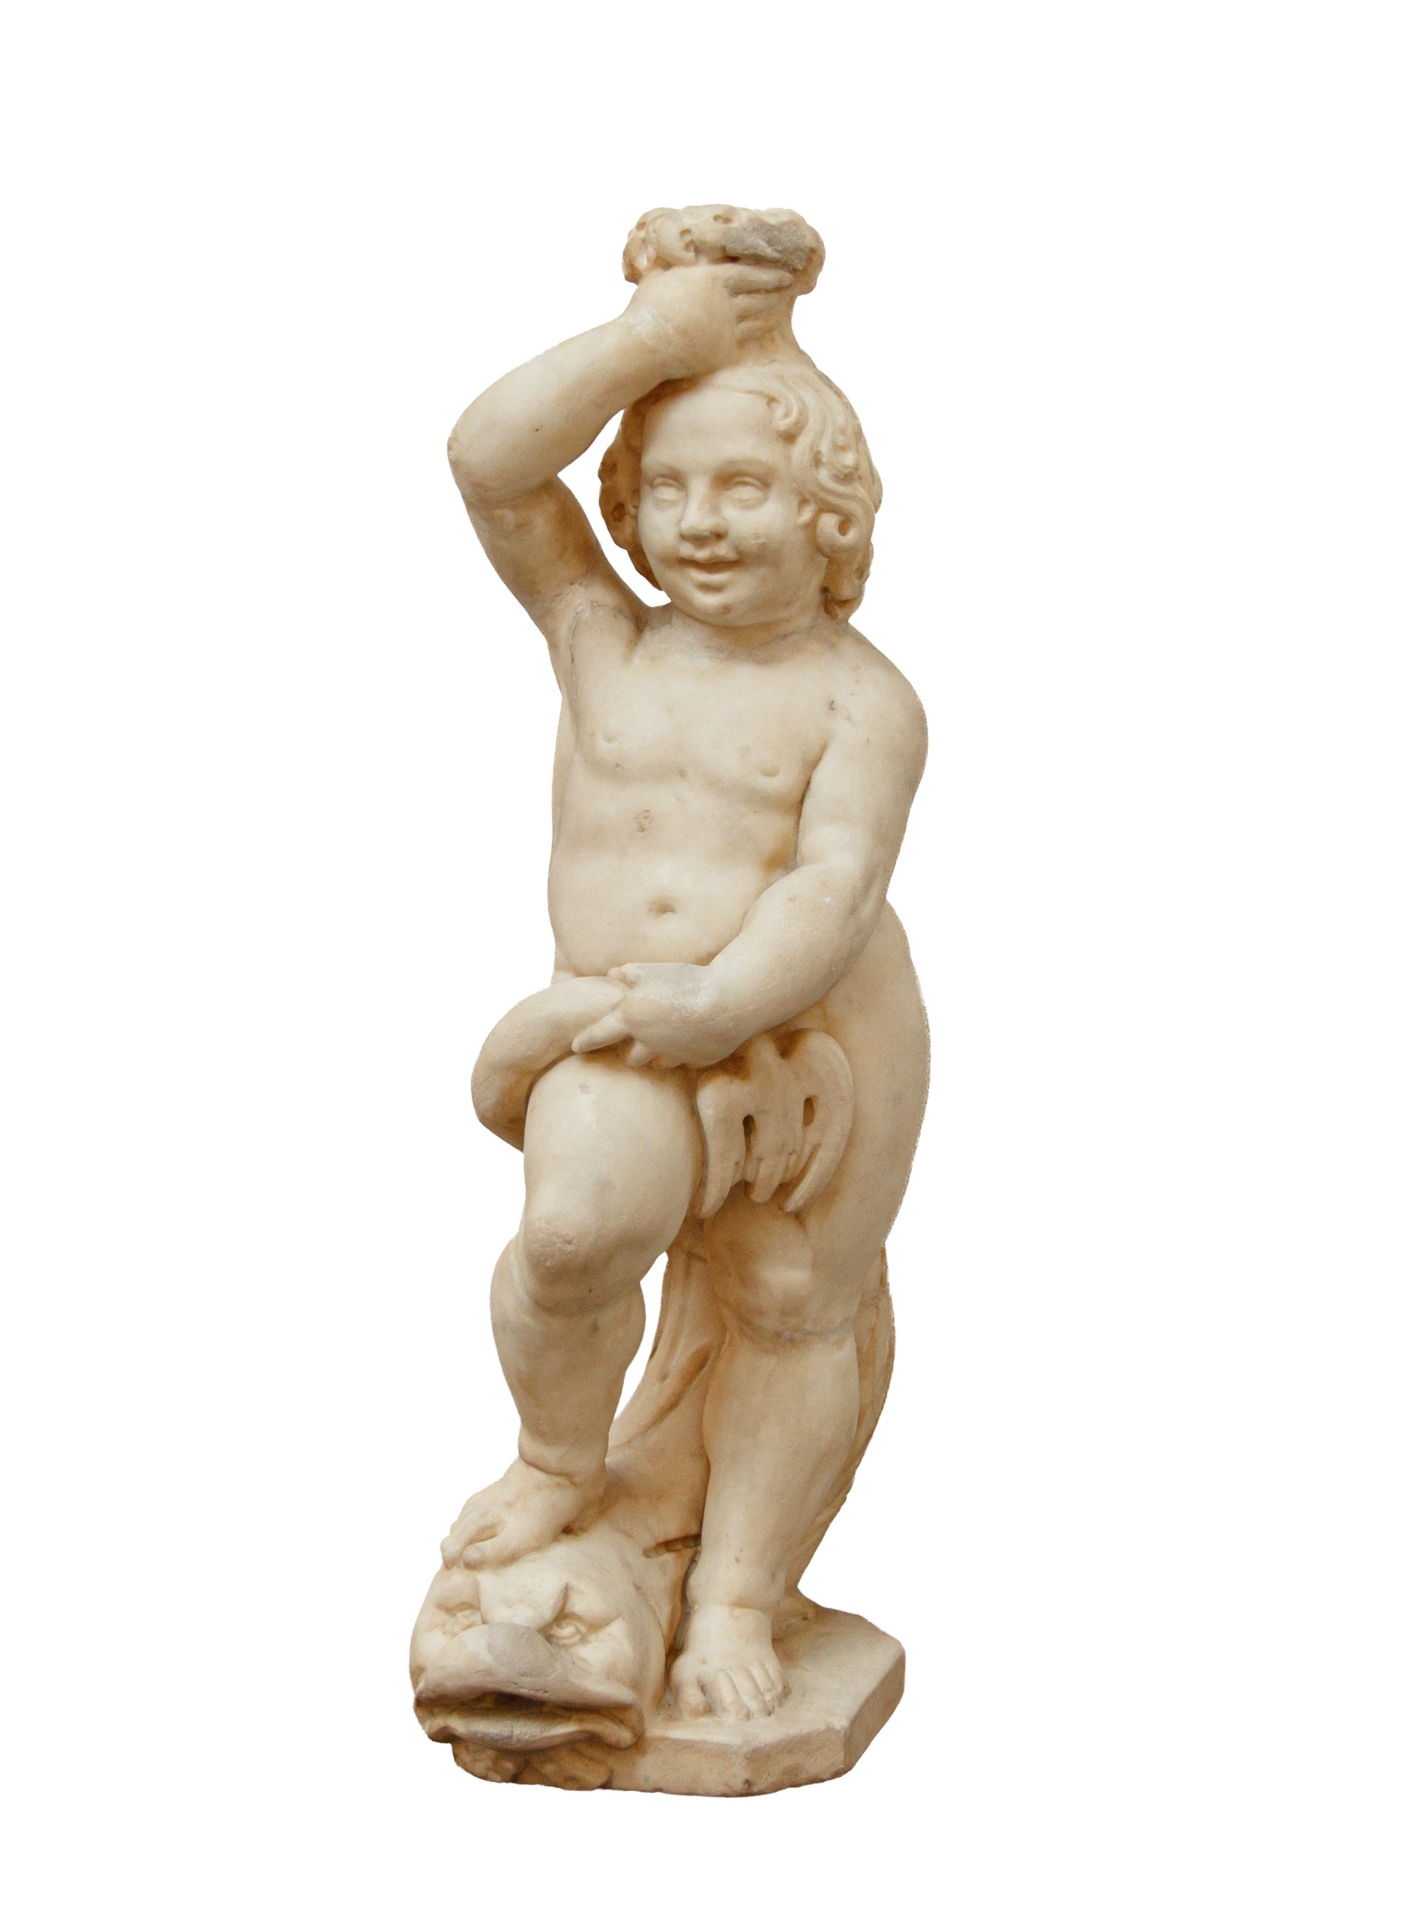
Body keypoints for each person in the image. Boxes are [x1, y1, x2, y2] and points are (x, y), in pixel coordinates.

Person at [438, 213, 929, 1721]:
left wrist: (726, 1001)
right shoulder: (602, 635)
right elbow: (488, 462)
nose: (701, 523)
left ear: (828, 516)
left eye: (747, 489)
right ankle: (558, 1461)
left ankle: (733, 1597)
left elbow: (834, 885)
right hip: (624, 1023)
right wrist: (651, 343)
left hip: (815, 1031)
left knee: (792, 1301)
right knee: (573, 1236)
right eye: (667, 489)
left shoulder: (861, 699)